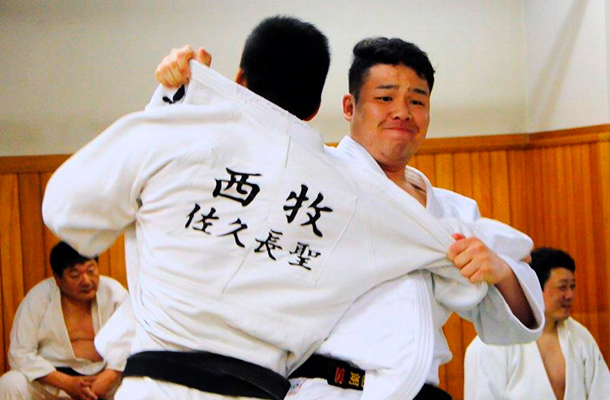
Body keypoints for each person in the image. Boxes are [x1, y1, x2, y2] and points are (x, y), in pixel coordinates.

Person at [42, 16, 496, 400]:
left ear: (240, 79)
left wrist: (171, 105)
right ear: (318, 106)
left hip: (152, 386)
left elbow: (68, 214)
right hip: (262, 388)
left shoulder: (173, 131)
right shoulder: (356, 194)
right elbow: (452, 263)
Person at [134, 36, 544, 399]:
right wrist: (183, 91)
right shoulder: (309, 180)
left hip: (422, 393)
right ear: (349, 106)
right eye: (384, 98)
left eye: (417, 100)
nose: (402, 111)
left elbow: (512, 325)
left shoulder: (455, 211)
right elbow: (218, 164)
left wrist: (501, 273)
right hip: (327, 387)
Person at [464, 247, 610, 400]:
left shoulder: (580, 337)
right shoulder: (491, 344)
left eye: (572, 286)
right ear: (534, 288)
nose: (570, 295)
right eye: (562, 287)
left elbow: (602, 393)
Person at [0, 242, 128, 400]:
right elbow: (20, 352)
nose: (86, 281)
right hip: (55, 382)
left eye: (91, 270)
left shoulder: (115, 294)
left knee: (149, 384)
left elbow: (132, 341)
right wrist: (67, 383)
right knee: (11, 383)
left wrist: (109, 376)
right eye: (75, 275)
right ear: (57, 278)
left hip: (107, 379)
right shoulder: (39, 298)